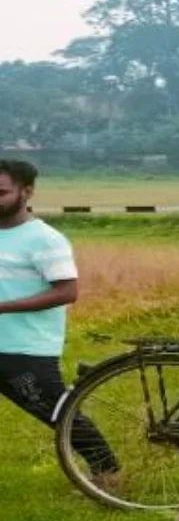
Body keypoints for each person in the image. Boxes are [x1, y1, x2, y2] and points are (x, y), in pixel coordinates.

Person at [0, 160, 119, 482]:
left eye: (1, 192)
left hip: (23, 347)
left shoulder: (44, 239)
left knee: (57, 413)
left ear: (27, 191)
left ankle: (107, 472)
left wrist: (3, 308)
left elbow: (67, 292)